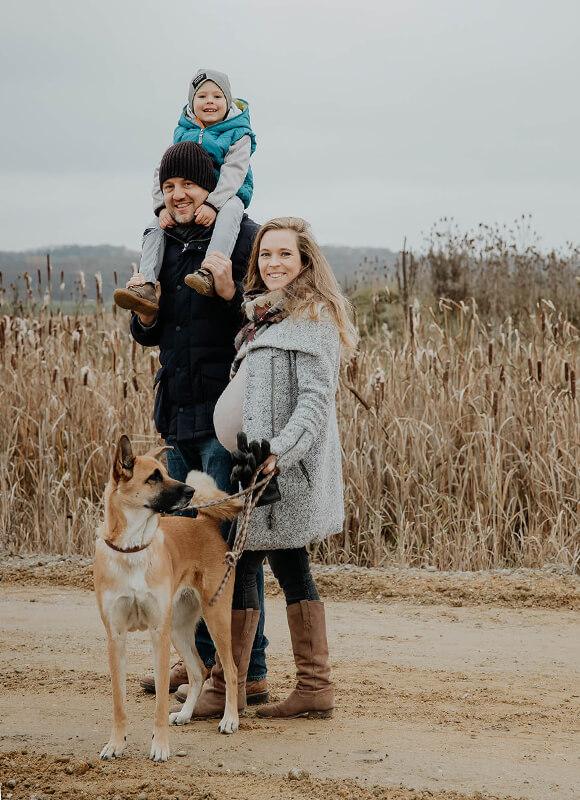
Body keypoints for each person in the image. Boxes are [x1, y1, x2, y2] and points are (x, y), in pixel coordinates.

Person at [173, 216, 357, 721]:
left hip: (282, 472)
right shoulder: (263, 317)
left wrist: (278, 450)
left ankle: (231, 685)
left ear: (304, 263)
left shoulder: (312, 320)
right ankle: (289, 685)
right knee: (276, 566)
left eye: (285, 255)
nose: (274, 264)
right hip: (255, 469)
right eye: (267, 255)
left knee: (249, 564)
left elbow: (315, 403)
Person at [126, 140, 268, 705]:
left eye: (187, 185)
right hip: (176, 415)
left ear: (211, 188)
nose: (178, 195)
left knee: (227, 546)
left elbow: (259, 319)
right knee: (185, 544)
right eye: (169, 187)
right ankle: (200, 664)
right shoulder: (163, 245)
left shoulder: (238, 237)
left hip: (222, 417)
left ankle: (245, 673)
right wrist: (144, 314)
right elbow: (153, 335)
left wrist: (232, 294)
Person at [114, 68, 256, 312]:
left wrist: (213, 204)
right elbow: (162, 170)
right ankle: (146, 284)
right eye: (201, 96)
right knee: (154, 227)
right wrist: (161, 208)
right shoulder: (182, 131)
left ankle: (210, 270)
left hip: (229, 194)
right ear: (192, 102)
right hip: (191, 202)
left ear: (228, 101)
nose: (209, 101)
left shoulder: (239, 132)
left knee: (231, 210)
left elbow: (234, 172)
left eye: (217, 96)